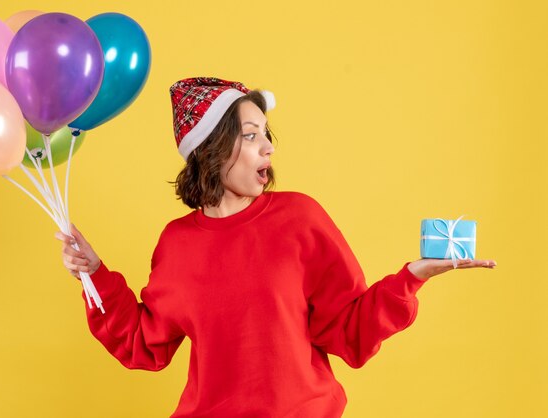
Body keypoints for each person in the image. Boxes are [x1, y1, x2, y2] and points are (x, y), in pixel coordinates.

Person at [55, 77, 496, 417]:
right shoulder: (177, 243)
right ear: (211, 148)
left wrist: (412, 277)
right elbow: (144, 343)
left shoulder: (299, 219)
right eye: (250, 135)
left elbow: (348, 329)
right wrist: (94, 274)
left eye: (267, 134)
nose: (268, 147)